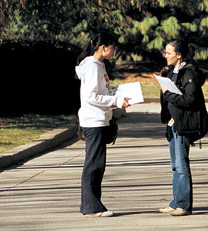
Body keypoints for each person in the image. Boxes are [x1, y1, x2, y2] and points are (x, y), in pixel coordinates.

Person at [75, 32, 130, 217]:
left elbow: (102, 90)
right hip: (94, 120)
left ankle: (90, 205)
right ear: (103, 47)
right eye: (113, 48)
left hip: (98, 119)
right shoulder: (92, 66)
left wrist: (118, 96)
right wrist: (115, 101)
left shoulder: (98, 65)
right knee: (94, 165)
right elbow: (91, 96)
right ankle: (92, 207)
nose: (115, 51)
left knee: (96, 164)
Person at [157, 39, 208, 216]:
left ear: (178, 55)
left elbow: (190, 100)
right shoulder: (171, 71)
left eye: (169, 53)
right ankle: (176, 202)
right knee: (174, 166)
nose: (166, 56)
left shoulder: (189, 74)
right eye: (165, 52)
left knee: (181, 166)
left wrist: (168, 94)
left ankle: (184, 205)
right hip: (172, 123)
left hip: (184, 124)